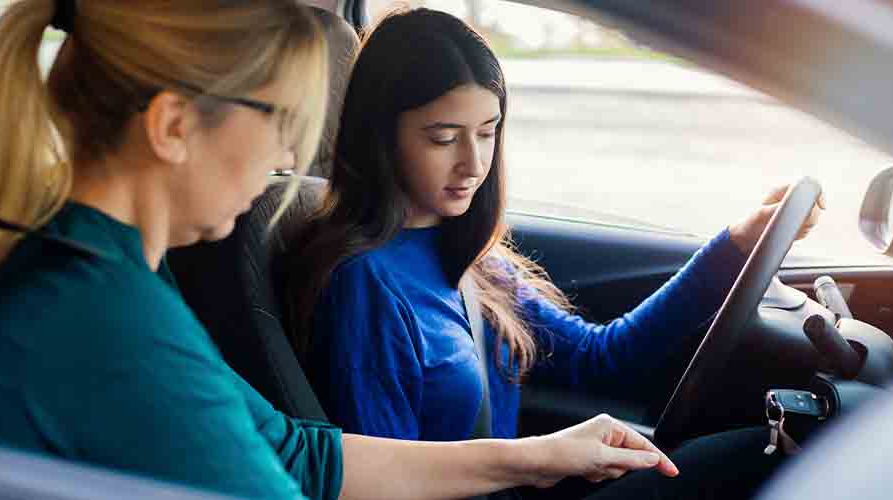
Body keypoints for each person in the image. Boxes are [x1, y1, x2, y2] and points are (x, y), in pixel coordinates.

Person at [0, 2, 680, 500]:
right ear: (173, 126)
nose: (292, 155)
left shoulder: (111, 275)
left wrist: (538, 456)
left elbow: (301, 454)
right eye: (280, 121)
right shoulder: (104, 320)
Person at [285, 8, 823, 499]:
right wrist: (534, 461)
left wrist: (737, 244)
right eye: (443, 138)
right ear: (382, 138)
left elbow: (603, 358)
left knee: (760, 453)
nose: (473, 163)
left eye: (487, 132)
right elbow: (378, 484)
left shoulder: (470, 256)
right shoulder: (365, 285)